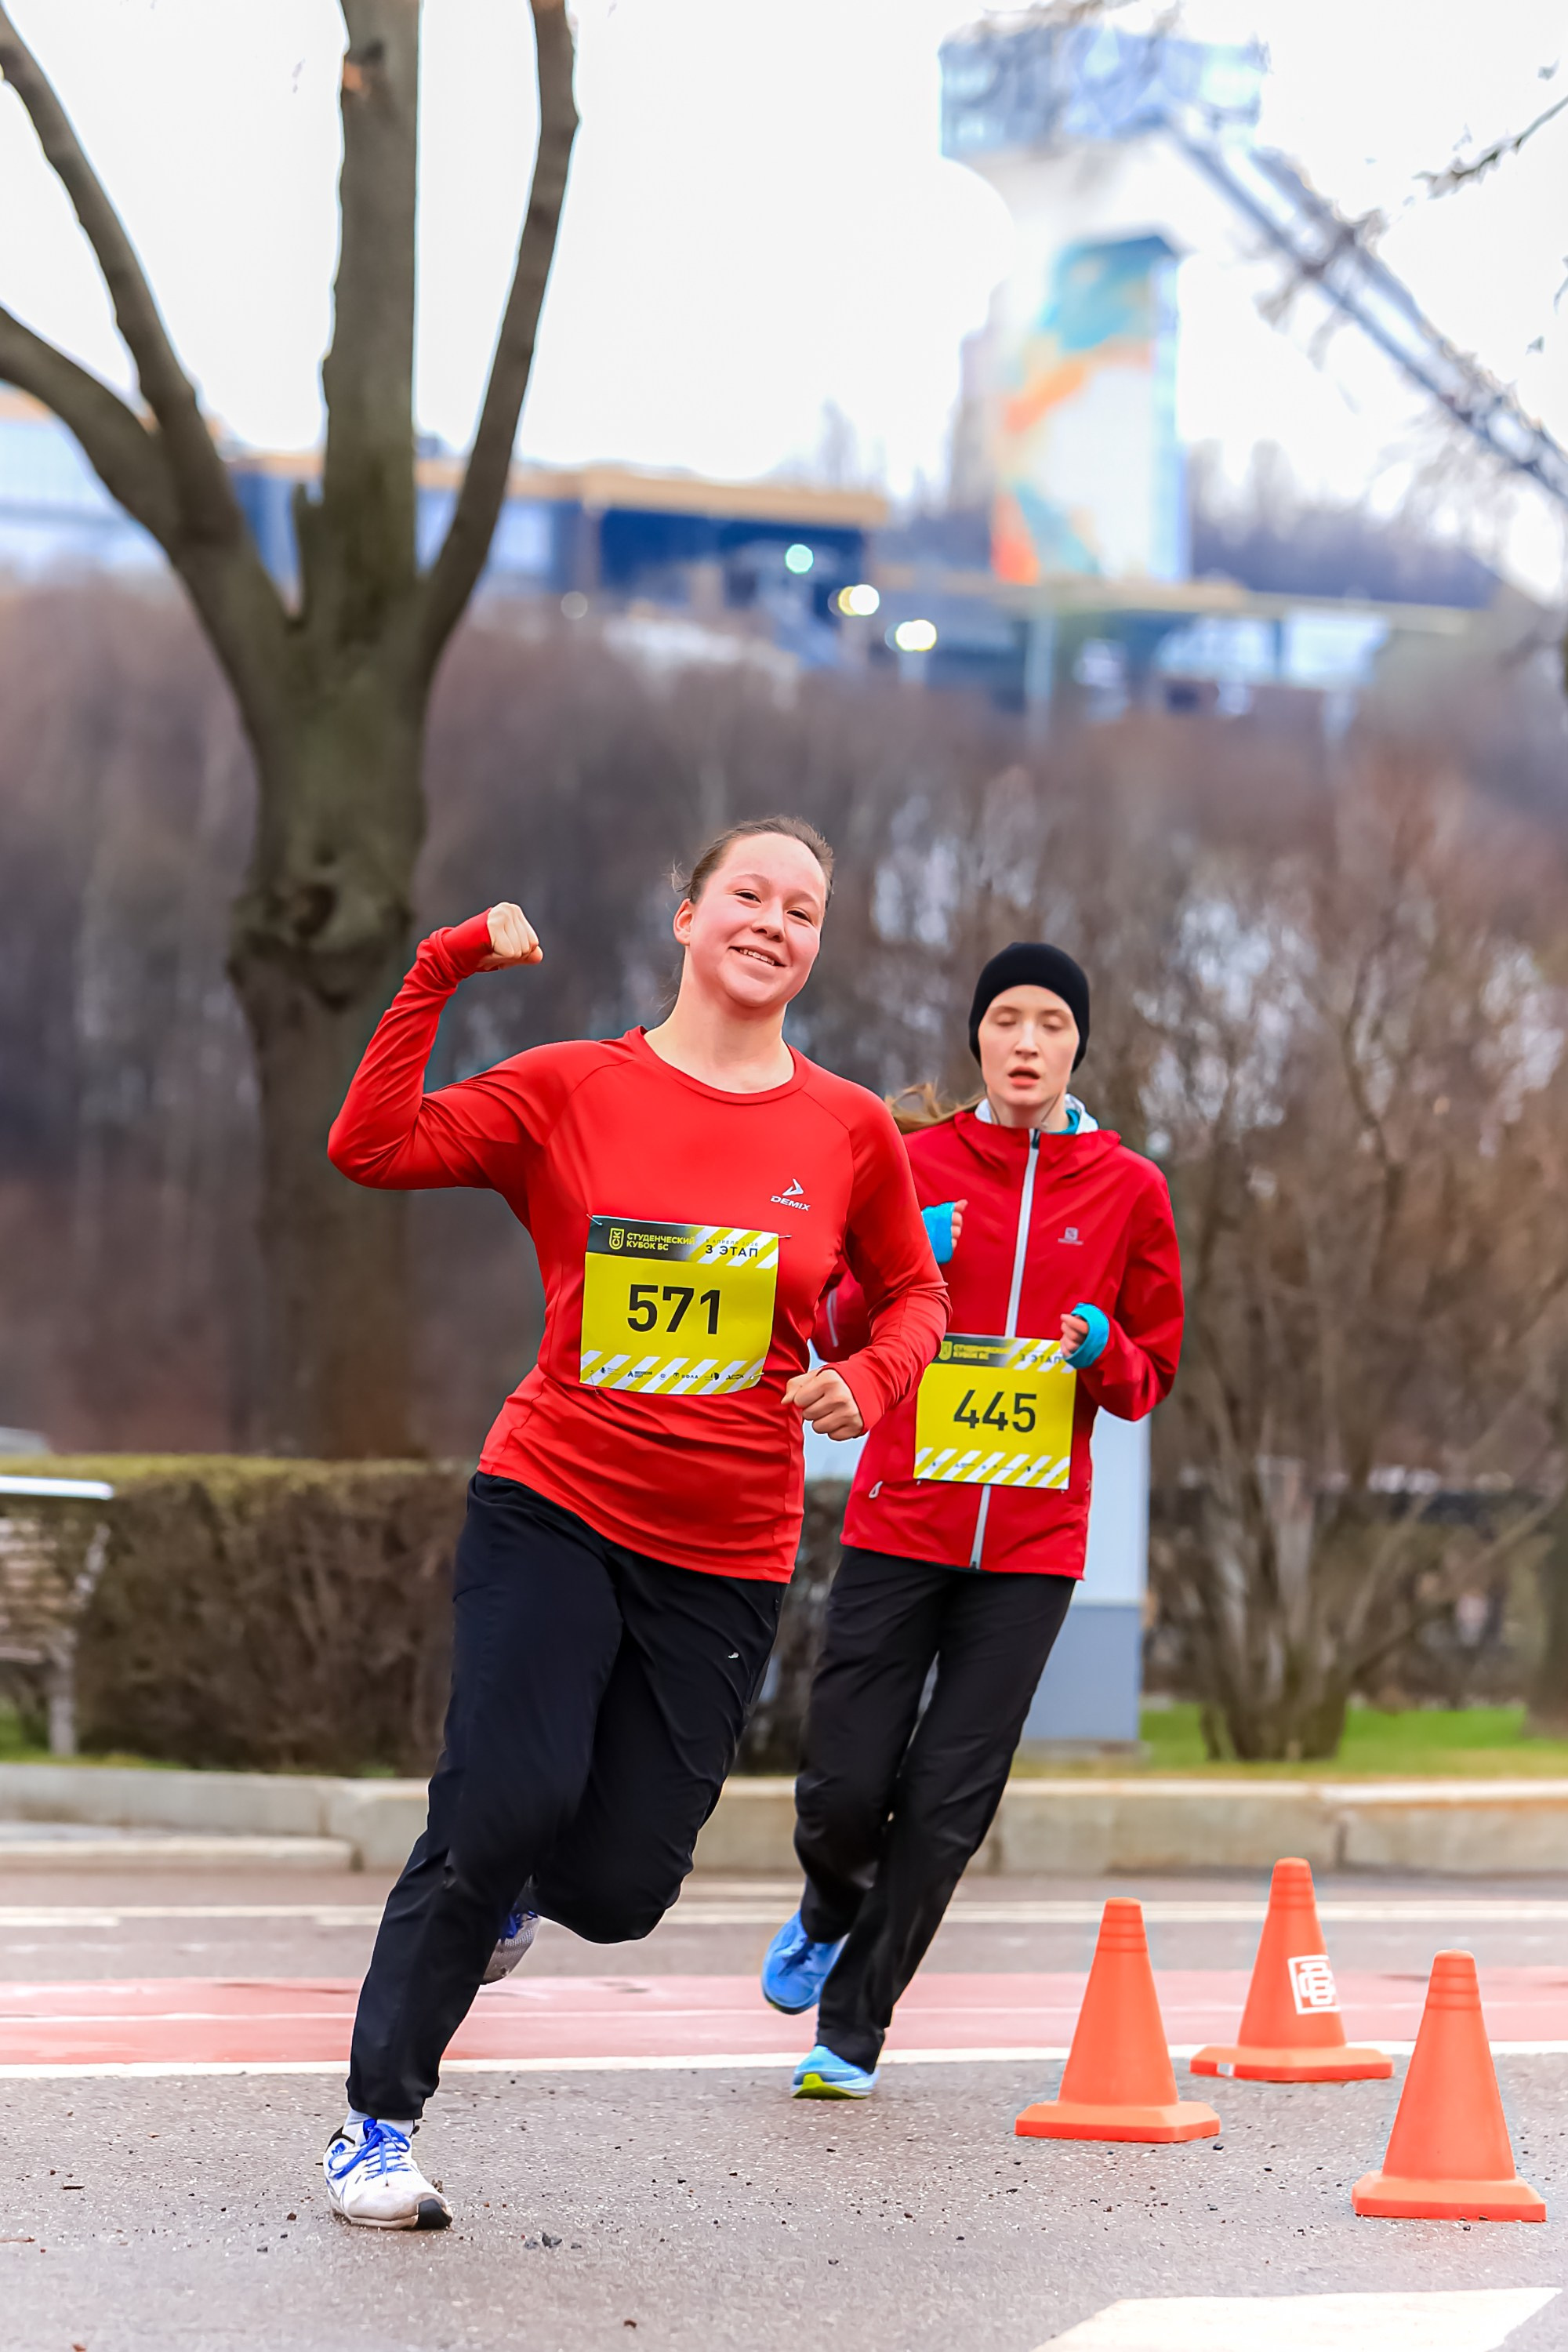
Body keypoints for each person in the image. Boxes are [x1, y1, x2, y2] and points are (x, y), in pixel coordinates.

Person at [320, 817, 947, 2225]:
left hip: (725, 1550)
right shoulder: (573, 1089)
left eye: (805, 908)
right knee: (490, 1806)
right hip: (552, 1495)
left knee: (616, 1889)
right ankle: (376, 2124)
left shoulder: (847, 1127)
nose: (774, 921)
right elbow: (370, 1145)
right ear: (687, 915)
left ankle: (525, 1896)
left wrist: (869, 1376)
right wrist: (444, 964)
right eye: (748, 894)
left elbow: (918, 1298)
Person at [760, 942, 1183, 2097]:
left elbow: (1153, 1376)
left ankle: (852, 2032)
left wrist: (1105, 1351)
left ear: (1078, 1043)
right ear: (979, 1040)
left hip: (1034, 1547)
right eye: (1008, 1020)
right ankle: (829, 1900)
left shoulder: (1131, 1191)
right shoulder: (912, 1161)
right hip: (902, 1519)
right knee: (845, 1786)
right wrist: (897, 1268)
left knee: (949, 1799)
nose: (1030, 1042)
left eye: (1052, 1021)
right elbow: (832, 1320)